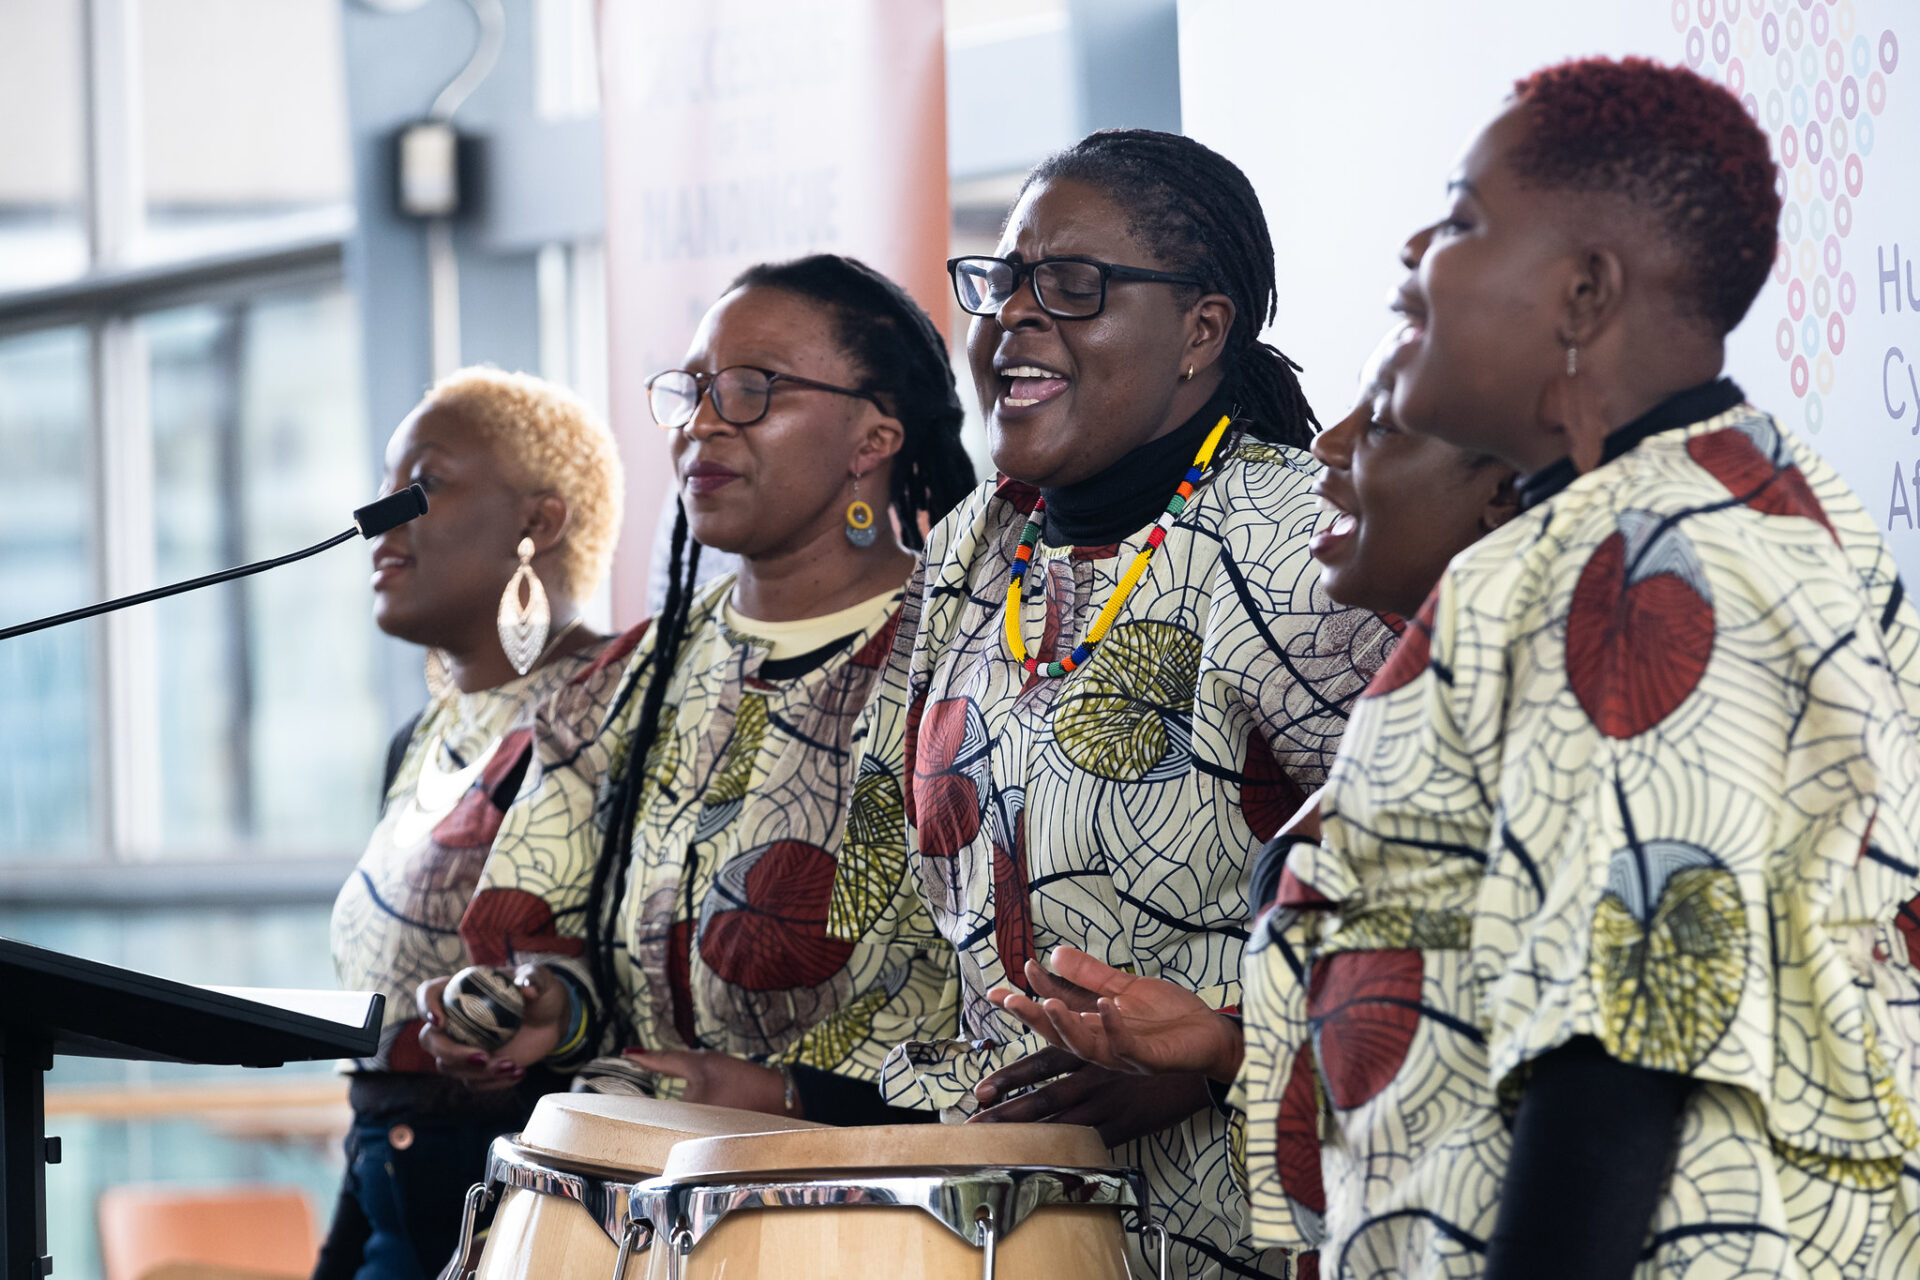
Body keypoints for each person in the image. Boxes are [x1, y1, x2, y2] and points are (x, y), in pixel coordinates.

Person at [997, 57, 1920, 1280]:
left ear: (1586, 294)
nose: (1428, 244)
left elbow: (1624, 1050)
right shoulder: (1608, 533)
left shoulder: (1662, 558)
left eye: (1469, 218)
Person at [869, 128, 1393, 1279]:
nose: (1013, 316)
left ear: (1203, 330)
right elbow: (923, 911)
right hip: (1005, 1232)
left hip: (1260, 1237)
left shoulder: (1301, 541)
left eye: (1072, 286)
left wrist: (1226, 1050)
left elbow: (1451, 910)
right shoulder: (974, 544)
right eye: (1003, 282)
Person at [415, 254, 978, 1124]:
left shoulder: (974, 661)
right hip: (649, 1224)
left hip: (897, 1220)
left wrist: (793, 1100)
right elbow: (558, 937)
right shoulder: (618, 686)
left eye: (752, 389)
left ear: (876, 438)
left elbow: (1040, 1015)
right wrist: (545, 1008)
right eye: (694, 391)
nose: (702, 425)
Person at [318, 367, 624, 1280]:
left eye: (425, 482)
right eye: (383, 484)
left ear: (541, 522)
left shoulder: (617, 712)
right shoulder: (418, 740)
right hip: (388, 1193)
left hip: (531, 1213)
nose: (378, 517)